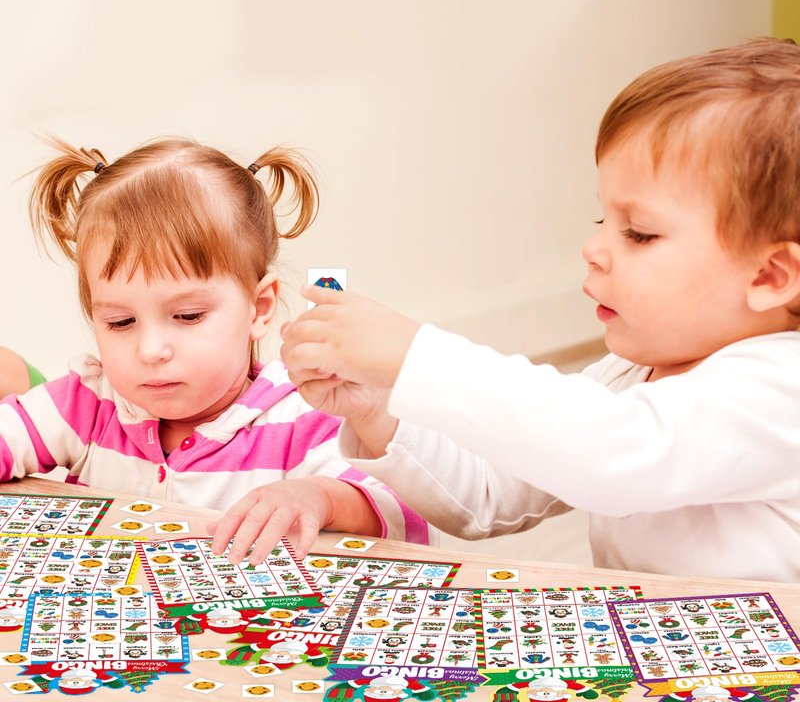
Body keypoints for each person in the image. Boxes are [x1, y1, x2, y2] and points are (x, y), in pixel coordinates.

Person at [281, 37, 800, 582]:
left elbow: (613, 453)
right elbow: (487, 495)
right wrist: (377, 410)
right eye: (603, 221)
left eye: (639, 233)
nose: (593, 248)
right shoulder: (630, 374)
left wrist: (415, 356)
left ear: (769, 276)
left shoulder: (780, 389)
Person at [0, 137, 430, 564]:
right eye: (121, 322)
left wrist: (322, 498)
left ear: (259, 308)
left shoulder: (303, 416)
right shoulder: (90, 401)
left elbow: (403, 517)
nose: (150, 350)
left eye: (187, 316)